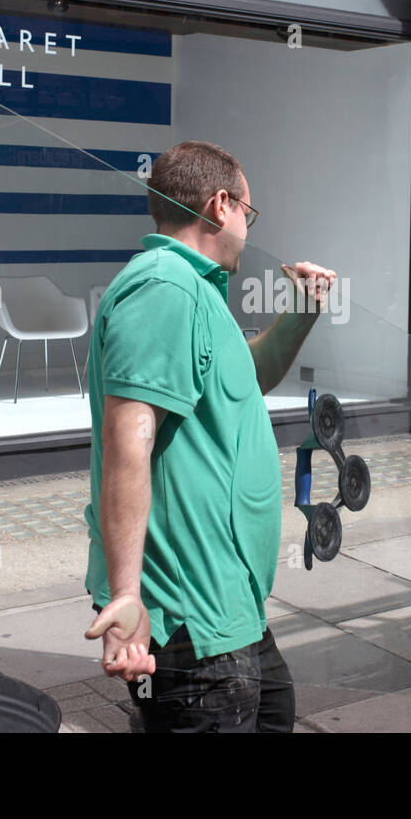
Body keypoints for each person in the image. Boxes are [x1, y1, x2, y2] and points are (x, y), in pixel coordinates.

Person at [81, 140, 336, 732]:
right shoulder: (165, 289)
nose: (249, 225)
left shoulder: (196, 289)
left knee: (274, 713)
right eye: (250, 212)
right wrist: (125, 593)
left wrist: (303, 309)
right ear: (221, 205)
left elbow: (249, 373)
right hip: (188, 608)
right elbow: (128, 443)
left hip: (228, 599)